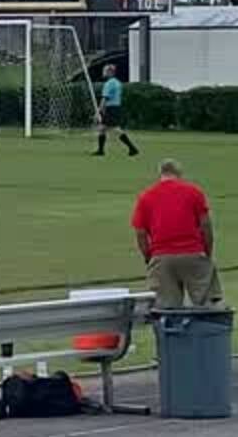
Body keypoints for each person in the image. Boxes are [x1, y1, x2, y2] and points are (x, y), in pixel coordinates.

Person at [132, 159, 223, 308]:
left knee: (166, 308)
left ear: (160, 174)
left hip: (161, 257)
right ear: (179, 174)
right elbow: (206, 225)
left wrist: (149, 257)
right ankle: (205, 330)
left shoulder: (146, 197)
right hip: (193, 253)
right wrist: (207, 253)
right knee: (209, 303)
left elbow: (140, 233)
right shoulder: (193, 192)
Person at [94, 64, 140, 157]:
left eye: (105, 71)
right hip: (116, 107)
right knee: (102, 129)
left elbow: (105, 98)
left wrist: (99, 110)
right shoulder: (117, 82)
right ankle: (100, 150)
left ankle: (132, 148)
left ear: (110, 72)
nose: (103, 73)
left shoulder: (109, 83)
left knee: (115, 129)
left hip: (111, 108)